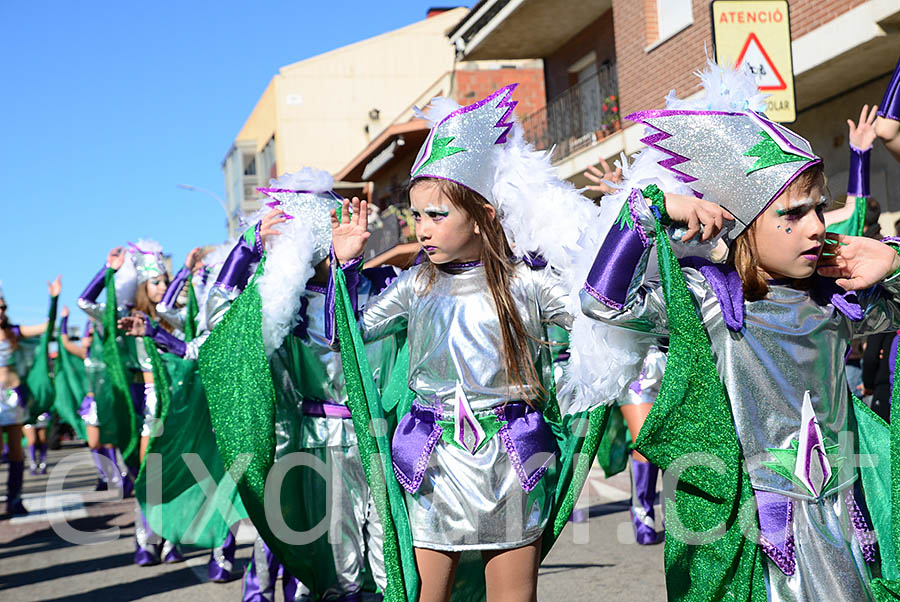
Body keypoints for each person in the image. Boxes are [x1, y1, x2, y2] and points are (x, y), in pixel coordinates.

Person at [579, 61, 900, 600]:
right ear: (744, 227)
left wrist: (890, 259)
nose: (819, 226)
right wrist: (649, 209)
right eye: (793, 216)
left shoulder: (833, 298)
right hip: (759, 543)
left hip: (848, 524)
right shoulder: (710, 300)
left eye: (818, 209)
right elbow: (602, 303)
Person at [329, 84, 611, 602]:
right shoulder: (416, 285)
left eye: (438, 215)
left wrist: (629, 227)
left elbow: (605, 313)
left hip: (511, 461)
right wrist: (346, 265)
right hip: (431, 461)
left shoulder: (528, 284)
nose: (424, 229)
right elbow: (344, 331)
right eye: (417, 216)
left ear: (484, 215)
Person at [199, 168, 392, 601]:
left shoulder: (380, 286)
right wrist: (246, 248)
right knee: (338, 567)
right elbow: (222, 329)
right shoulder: (287, 307)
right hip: (320, 444)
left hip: (382, 442)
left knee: (390, 561)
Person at [79, 241, 183, 565]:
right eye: (157, 282)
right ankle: (151, 539)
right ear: (141, 286)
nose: (163, 287)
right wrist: (107, 271)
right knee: (144, 471)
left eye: (166, 281)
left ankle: (163, 540)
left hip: (166, 400)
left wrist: (181, 280)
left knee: (160, 470)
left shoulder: (174, 315)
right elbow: (85, 301)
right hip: (134, 400)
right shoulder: (125, 316)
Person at [0, 277, 59, 515]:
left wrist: (54, 299)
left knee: (16, 451)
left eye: (3, 307)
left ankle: (14, 499)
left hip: (13, 397)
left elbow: (47, 327)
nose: (1, 311)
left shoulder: (14, 332)